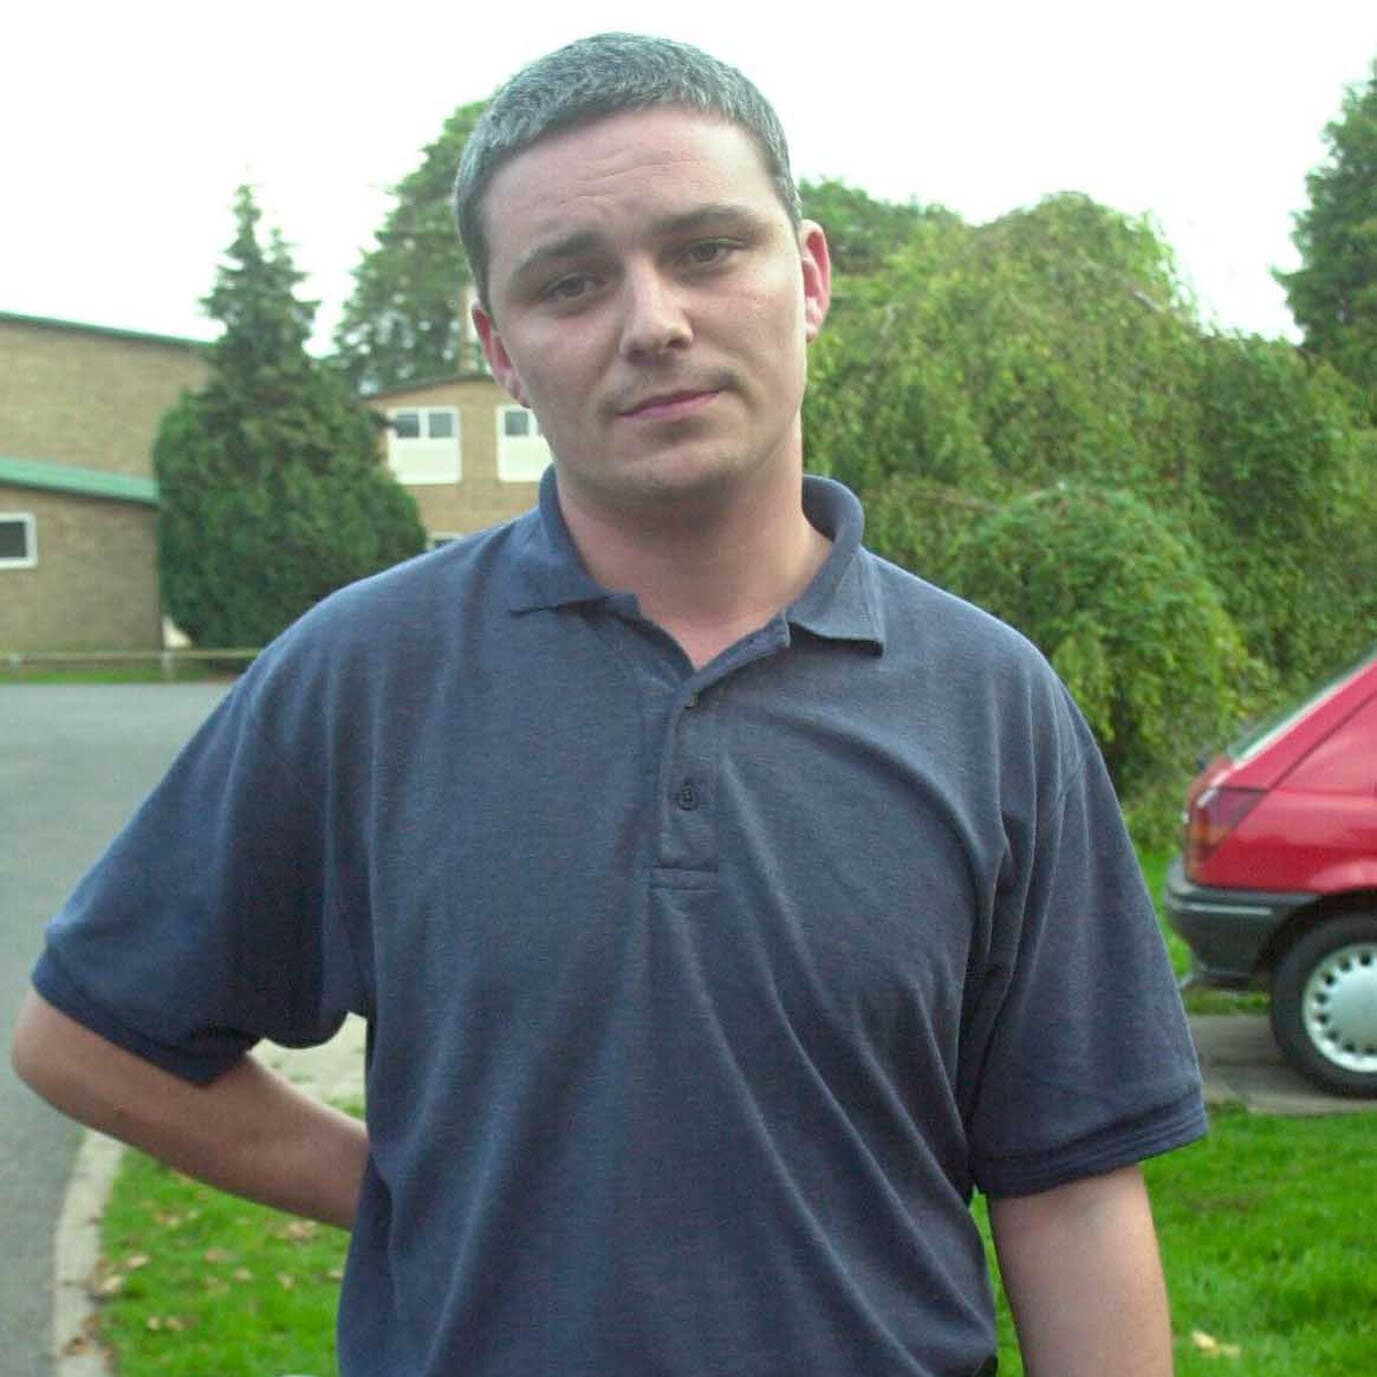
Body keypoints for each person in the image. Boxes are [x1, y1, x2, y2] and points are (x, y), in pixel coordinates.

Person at [12, 32, 1205, 1377]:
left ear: (805, 276)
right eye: (570, 284)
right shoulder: (363, 678)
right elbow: (87, 1038)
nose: (653, 323)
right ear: (499, 347)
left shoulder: (989, 703)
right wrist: (403, 1185)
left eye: (706, 249)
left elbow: (1076, 1184)